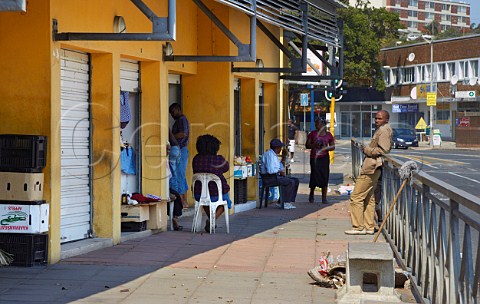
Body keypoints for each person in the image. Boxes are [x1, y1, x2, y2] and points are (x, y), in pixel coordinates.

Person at [345, 110, 392, 235]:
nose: (376, 121)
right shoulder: (382, 129)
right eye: (376, 118)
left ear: (386, 120)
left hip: (371, 167)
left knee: (356, 197)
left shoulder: (383, 131)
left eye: (380, 118)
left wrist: (367, 150)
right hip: (372, 167)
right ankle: (369, 226)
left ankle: (358, 227)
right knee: (369, 198)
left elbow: (384, 149)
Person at [192, 134, 232, 233]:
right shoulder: (219, 160)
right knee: (227, 202)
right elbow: (226, 167)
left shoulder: (196, 159)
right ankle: (211, 220)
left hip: (199, 194)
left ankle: (211, 220)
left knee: (205, 201)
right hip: (216, 194)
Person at [261, 138, 299, 210]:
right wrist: (280, 172)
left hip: (274, 176)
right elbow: (271, 170)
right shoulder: (270, 155)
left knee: (295, 180)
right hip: (269, 178)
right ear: (277, 148)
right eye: (280, 148)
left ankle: (283, 201)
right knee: (290, 182)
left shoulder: (274, 155)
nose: (281, 149)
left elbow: (280, 167)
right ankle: (285, 202)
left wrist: (283, 158)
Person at [305, 117, 335, 204]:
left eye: (317, 123)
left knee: (324, 176)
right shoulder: (312, 134)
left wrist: (326, 148)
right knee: (314, 175)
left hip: (324, 158)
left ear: (322, 124)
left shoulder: (328, 135)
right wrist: (314, 145)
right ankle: (311, 194)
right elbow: (307, 145)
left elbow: (333, 146)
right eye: (315, 123)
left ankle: (324, 197)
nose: (316, 125)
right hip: (314, 158)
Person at [169, 102, 190, 209]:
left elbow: (183, 134)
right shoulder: (181, 120)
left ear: (178, 109)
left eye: (173, 112)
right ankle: (184, 201)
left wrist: (170, 136)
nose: (172, 115)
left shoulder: (181, 120)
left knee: (178, 176)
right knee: (181, 175)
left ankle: (182, 201)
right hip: (182, 150)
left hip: (181, 149)